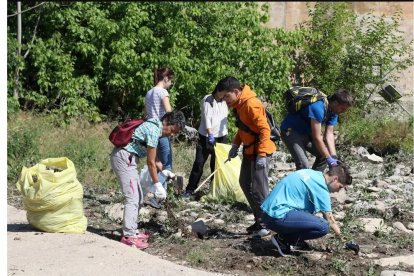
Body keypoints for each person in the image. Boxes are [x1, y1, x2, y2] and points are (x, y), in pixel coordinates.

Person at [110, 111, 185, 249]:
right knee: (132, 197)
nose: (172, 134)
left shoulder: (154, 126)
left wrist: (164, 171)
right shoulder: (153, 130)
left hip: (128, 159)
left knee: (137, 196)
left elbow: (155, 158)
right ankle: (129, 236)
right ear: (167, 122)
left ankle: (132, 230)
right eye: (173, 130)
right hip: (124, 159)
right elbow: (150, 163)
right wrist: (158, 185)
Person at [215, 76, 276, 238]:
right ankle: (259, 220)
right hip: (249, 151)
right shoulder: (238, 104)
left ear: (236, 92)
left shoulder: (251, 104)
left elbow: (264, 130)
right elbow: (243, 129)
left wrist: (262, 156)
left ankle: (267, 225)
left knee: (259, 189)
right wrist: (236, 145)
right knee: (244, 183)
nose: (225, 101)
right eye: (222, 98)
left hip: (260, 152)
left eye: (226, 97)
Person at [260, 164, 352, 256]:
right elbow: (330, 220)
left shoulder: (313, 174)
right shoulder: (321, 187)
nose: (338, 191)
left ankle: (292, 240)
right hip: (277, 216)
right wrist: (346, 241)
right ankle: (283, 240)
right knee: (323, 226)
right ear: (335, 179)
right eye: (340, 187)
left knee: (310, 212)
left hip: (267, 213)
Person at [280, 88, 353, 171]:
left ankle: (314, 180)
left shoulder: (334, 111)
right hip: (291, 132)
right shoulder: (318, 107)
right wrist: (329, 158)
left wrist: (333, 157)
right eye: (343, 108)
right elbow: (317, 137)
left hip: (306, 133)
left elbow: (329, 134)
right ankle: (301, 183)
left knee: (323, 156)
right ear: (335, 103)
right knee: (303, 164)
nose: (344, 111)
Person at [183, 87, 229, 198]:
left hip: (221, 137)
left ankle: (214, 190)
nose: (226, 95)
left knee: (216, 165)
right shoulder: (208, 99)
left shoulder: (225, 100)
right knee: (199, 163)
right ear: (219, 90)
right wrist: (210, 133)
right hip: (206, 136)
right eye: (225, 92)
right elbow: (207, 117)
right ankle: (190, 189)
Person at [145, 67, 175, 171]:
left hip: (150, 132)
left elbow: (145, 115)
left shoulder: (149, 93)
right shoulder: (163, 92)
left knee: (156, 163)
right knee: (166, 165)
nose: (170, 84)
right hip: (162, 132)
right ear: (166, 78)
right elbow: (170, 114)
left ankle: (155, 185)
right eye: (171, 81)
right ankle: (163, 186)